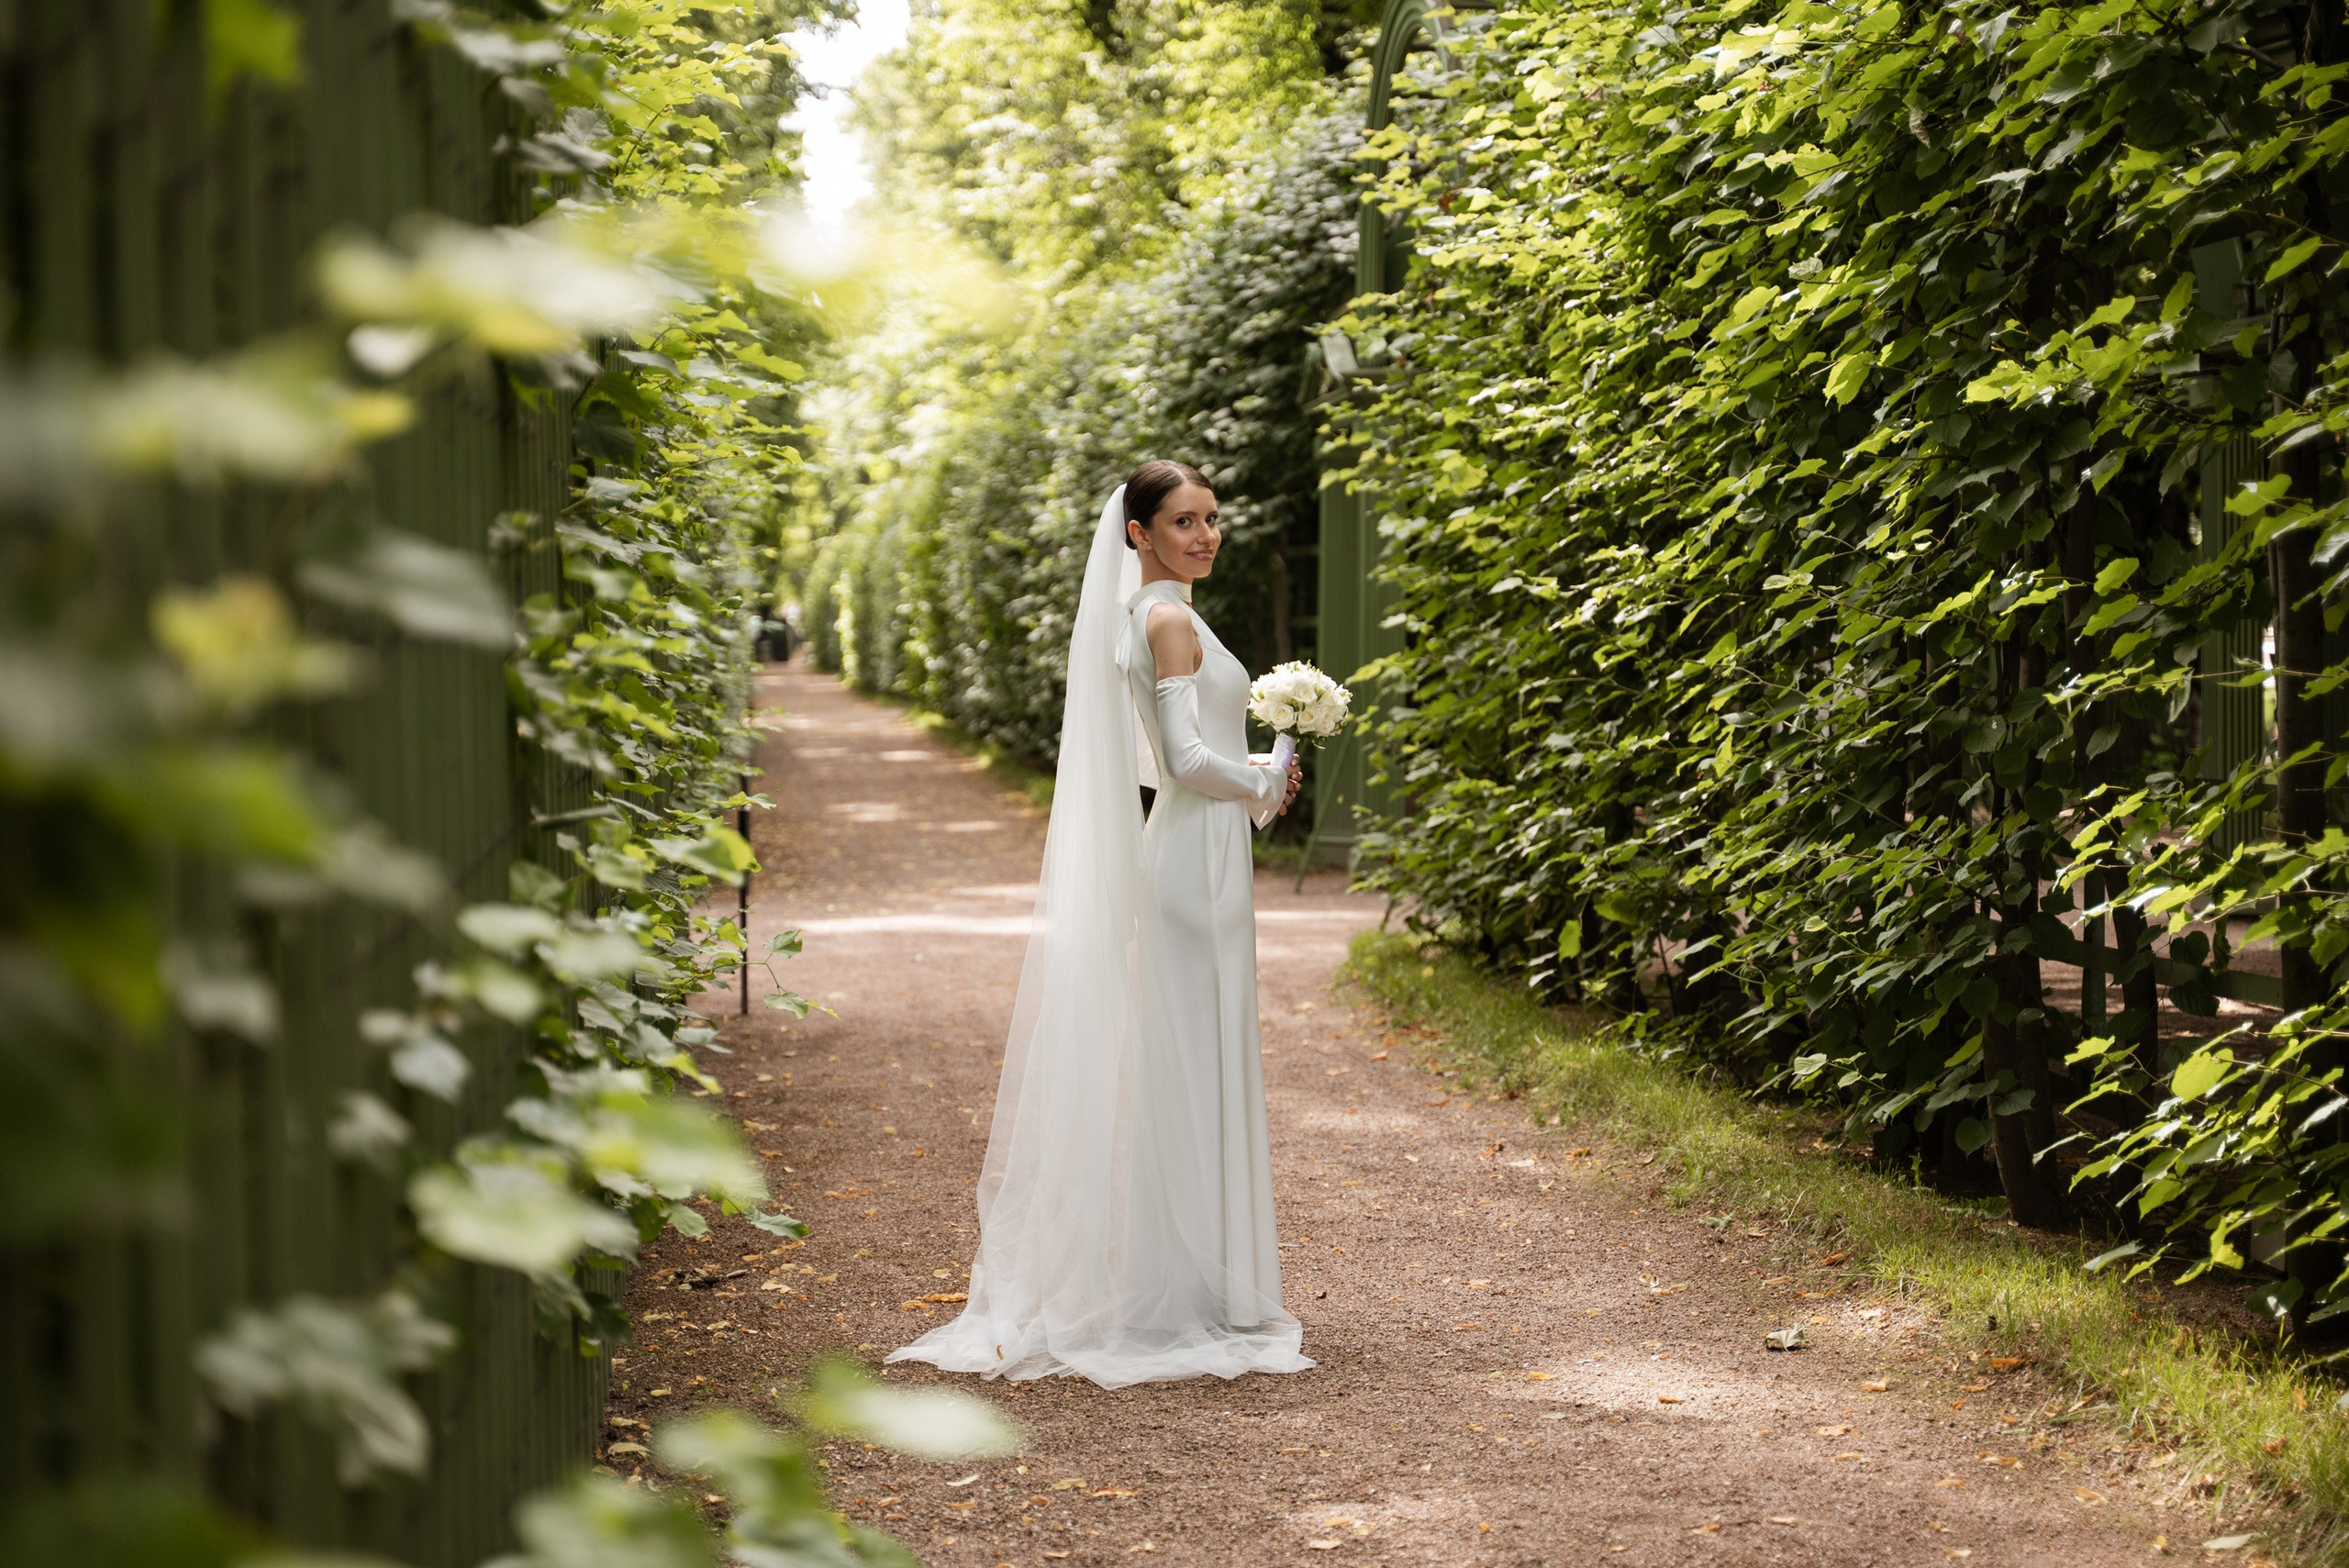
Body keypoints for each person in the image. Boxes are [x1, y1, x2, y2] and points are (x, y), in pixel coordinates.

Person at [886, 461, 1313, 1389]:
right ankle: (1191, 1293)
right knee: (1194, 1064)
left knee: (1201, 1059)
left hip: (1204, 848)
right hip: (1193, 865)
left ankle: (1211, 1286)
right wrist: (1258, 777)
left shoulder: (1161, 616)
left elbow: (1186, 759)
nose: (1203, 534)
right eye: (1182, 521)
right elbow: (1185, 758)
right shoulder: (1162, 617)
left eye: (1210, 518)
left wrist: (1254, 776)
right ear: (1138, 534)